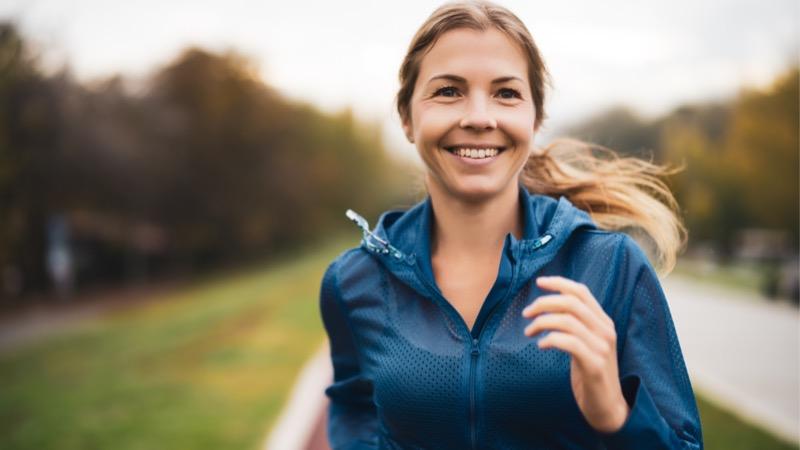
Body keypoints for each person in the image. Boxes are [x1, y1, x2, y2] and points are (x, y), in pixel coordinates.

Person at [319, 1, 703, 448]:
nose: (479, 117)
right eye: (448, 91)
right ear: (407, 117)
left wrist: (616, 415)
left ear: (535, 118)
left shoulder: (611, 267)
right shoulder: (353, 282)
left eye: (506, 93)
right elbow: (355, 408)